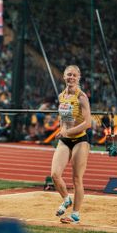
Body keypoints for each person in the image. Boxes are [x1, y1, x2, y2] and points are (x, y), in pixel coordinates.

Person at [51, 65, 92, 224]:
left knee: (77, 179)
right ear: (64, 76)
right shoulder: (62, 96)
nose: (71, 77)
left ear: (79, 77)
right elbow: (63, 119)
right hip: (65, 139)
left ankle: (75, 215)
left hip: (80, 140)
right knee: (55, 174)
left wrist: (68, 132)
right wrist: (61, 129)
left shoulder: (82, 97)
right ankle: (66, 199)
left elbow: (88, 123)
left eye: (74, 75)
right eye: (69, 75)